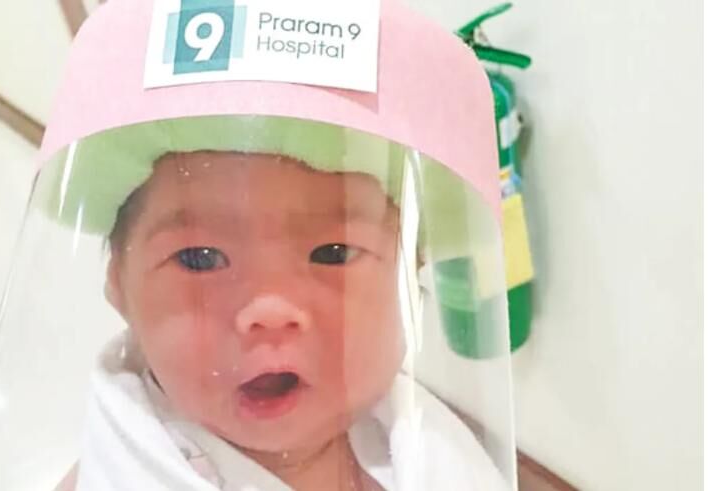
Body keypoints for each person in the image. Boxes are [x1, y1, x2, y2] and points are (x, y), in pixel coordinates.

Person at [50, 117, 509, 491]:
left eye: (334, 253)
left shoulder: (432, 455)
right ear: (118, 286)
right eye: (199, 258)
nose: (269, 311)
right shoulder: (115, 475)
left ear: (409, 278)